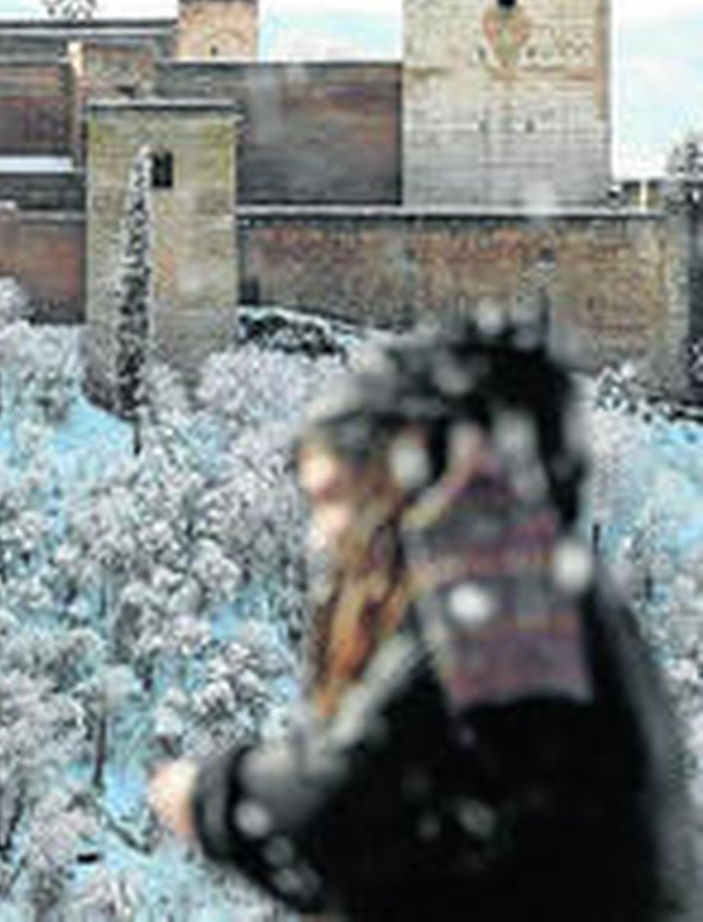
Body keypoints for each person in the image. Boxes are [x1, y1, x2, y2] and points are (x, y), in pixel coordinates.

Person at [148, 312, 699, 920]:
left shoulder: (510, 598)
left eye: (335, 496)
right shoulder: (541, 591)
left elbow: (349, 807)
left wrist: (210, 798)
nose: (325, 534)